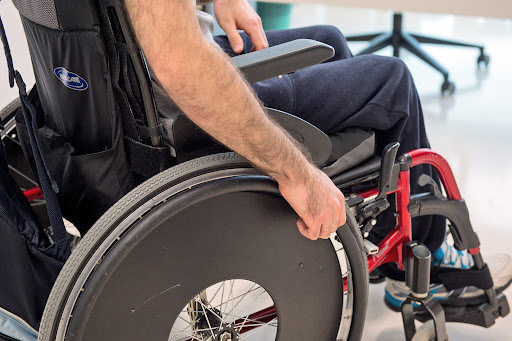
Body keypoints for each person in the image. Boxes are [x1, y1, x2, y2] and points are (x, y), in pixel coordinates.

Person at [124, 0, 512, 308]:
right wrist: (295, 173)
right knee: (393, 81)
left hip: (150, 79)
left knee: (329, 39)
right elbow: (177, 63)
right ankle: (424, 260)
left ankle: (369, 234)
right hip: (187, 103)